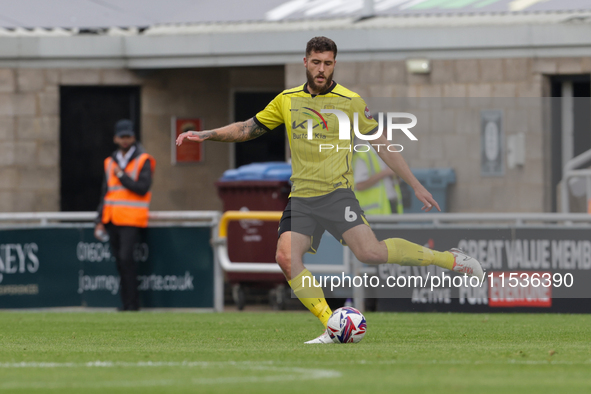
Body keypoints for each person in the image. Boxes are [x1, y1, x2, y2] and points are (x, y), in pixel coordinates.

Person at [176, 37, 483, 343]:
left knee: (370, 252)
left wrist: (415, 185)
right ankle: (331, 324)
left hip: (337, 195)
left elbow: (383, 145)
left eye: (327, 63)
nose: (321, 69)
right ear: (305, 62)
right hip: (302, 198)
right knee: (286, 258)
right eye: (316, 62)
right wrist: (206, 135)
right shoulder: (287, 99)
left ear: (334, 64)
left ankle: (448, 259)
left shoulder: (350, 101)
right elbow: (247, 128)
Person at [94, 119, 156, 312]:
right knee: (120, 262)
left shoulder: (143, 159)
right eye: (122, 137)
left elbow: (143, 188)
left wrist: (122, 176)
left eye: (128, 136)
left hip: (131, 219)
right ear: (115, 138)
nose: (125, 140)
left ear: (134, 137)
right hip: (112, 218)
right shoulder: (109, 161)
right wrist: (99, 221)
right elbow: (105, 192)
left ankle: (133, 304)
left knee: (126, 259)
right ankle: (126, 303)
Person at [353, 139, 404, 215]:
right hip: (374, 212)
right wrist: (385, 172)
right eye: (383, 130)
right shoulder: (364, 154)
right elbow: (359, 185)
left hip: (391, 205)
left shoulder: (389, 152)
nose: (386, 133)